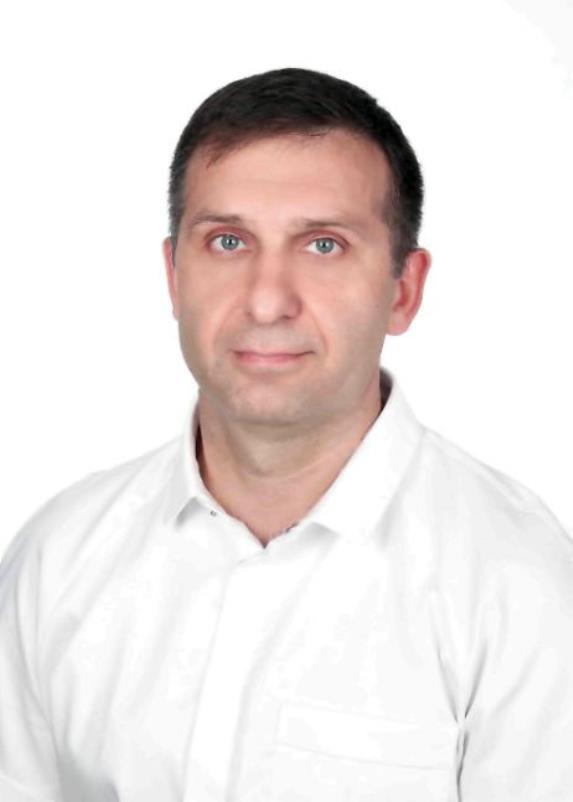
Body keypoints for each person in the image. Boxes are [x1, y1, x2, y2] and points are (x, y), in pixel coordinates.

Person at [1, 66, 572, 802]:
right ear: (174, 276)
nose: (267, 301)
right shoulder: (57, 559)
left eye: (323, 245)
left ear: (403, 289)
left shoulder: (522, 585)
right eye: (228, 242)